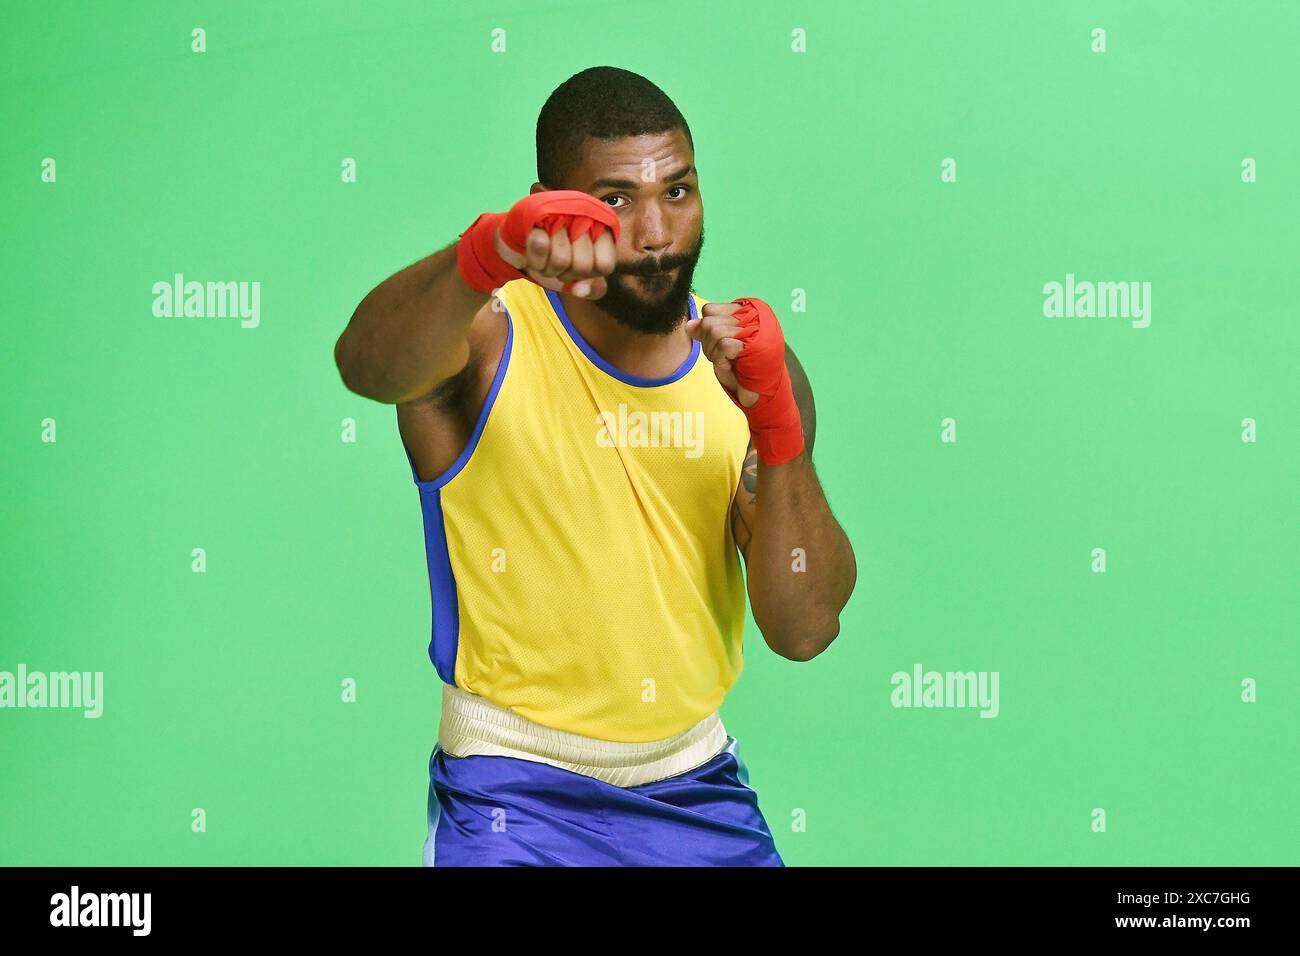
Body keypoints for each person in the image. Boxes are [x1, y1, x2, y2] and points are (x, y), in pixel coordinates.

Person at [334, 66, 856, 866]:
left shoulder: (744, 370)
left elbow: (806, 628)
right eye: (615, 199)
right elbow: (364, 365)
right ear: (554, 202)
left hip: (698, 788)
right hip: (514, 795)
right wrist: (484, 254)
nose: (655, 233)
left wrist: (777, 431)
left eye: (677, 191)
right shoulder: (488, 338)